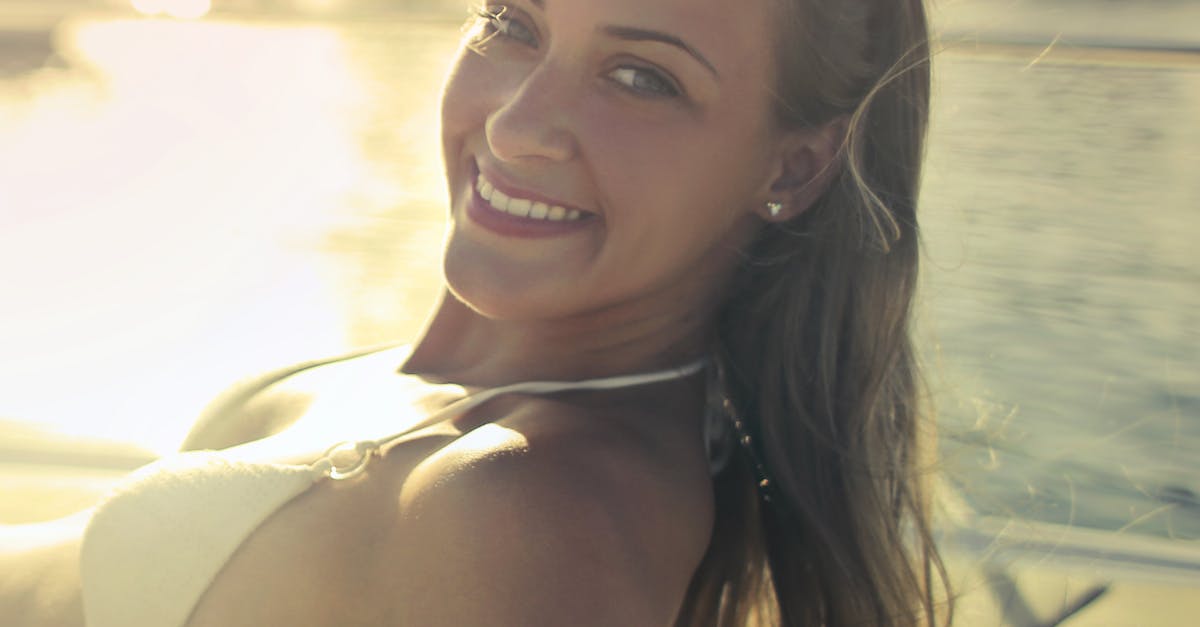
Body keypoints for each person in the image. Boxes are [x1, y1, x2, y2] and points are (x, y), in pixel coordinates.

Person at [1, 0, 949, 624]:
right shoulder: (476, 394)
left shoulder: (526, 517)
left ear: (793, 164)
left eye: (641, 77)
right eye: (512, 21)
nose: (514, 124)